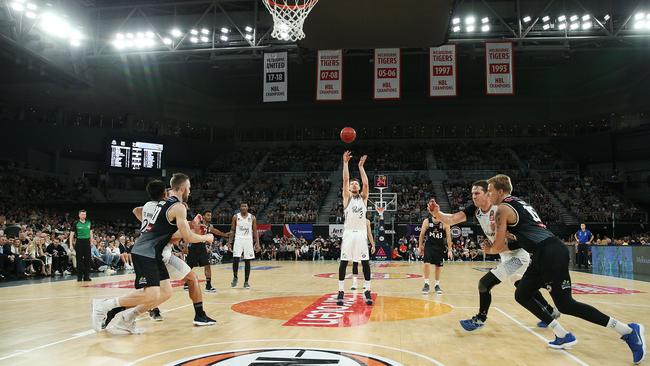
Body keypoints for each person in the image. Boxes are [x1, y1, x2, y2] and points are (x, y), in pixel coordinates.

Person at [483, 174, 644, 363]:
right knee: (522, 293)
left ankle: (629, 331)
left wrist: (489, 248)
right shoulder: (519, 203)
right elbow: (523, 239)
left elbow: (499, 246)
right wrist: (508, 241)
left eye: (491, 191)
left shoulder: (502, 208)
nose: (489, 194)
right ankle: (562, 334)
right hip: (545, 252)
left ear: (501, 191)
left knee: (566, 305)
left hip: (549, 254)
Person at [91, 174, 214, 335]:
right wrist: (206, 237)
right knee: (151, 293)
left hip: (156, 253)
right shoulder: (175, 206)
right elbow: (183, 236)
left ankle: (127, 319)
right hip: (147, 252)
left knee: (165, 292)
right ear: (182, 189)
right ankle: (104, 305)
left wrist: (187, 224)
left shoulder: (158, 204)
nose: (190, 191)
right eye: (189, 188)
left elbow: (142, 214)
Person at [430, 180, 558, 331]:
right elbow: (451, 219)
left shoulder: (501, 209)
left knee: (484, 284)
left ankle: (480, 318)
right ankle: (551, 312)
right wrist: (437, 213)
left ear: (488, 194)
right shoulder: (476, 210)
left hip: (518, 254)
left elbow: (519, 240)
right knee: (524, 287)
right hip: (505, 254)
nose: (473, 196)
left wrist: (492, 249)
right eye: (472, 193)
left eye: (477, 193)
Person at [337, 151, 373, 306]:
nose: (354, 184)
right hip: (349, 234)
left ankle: (367, 290)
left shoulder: (363, 198)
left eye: (355, 184)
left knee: (365, 263)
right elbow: (345, 179)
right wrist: (345, 163)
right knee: (344, 262)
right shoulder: (347, 197)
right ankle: (340, 291)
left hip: (361, 235)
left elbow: (366, 184)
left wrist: (360, 167)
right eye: (352, 184)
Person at [185, 210, 229, 292]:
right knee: (189, 267)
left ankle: (208, 285)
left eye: (210, 215)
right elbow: (188, 233)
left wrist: (225, 235)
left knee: (207, 265)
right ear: (203, 216)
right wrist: (185, 247)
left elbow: (215, 231)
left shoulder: (209, 225)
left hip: (201, 246)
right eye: (208, 215)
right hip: (193, 245)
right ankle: (186, 283)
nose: (210, 217)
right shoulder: (197, 223)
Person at [418, 198, 452, 294]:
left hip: (439, 246)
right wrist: (420, 246)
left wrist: (450, 250)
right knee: (426, 264)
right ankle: (426, 284)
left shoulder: (445, 222)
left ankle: (437, 285)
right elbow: (421, 235)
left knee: (438, 266)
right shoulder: (427, 221)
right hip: (429, 245)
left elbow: (449, 237)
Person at [228, 202, 260, 289]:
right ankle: (235, 277)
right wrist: (229, 242)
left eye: (245, 206)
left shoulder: (252, 217)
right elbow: (232, 230)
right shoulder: (235, 216)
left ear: (248, 207)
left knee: (247, 261)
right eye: (242, 206)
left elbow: (255, 231)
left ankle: (246, 282)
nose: (243, 207)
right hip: (238, 239)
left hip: (248, 240)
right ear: (240, 207)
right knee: (235, 259)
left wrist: (257, 243)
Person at [351, 219, 376, 291]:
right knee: (355, 263)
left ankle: (366, 283)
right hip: (355, 244)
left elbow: (369, 234)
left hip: (363, 245)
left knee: (365, 264)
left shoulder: (367, 221)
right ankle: (354, 283)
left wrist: (373, 245)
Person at [70, 210, 93, 282]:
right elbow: (71, 235)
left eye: (85, 214)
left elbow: (91, 232)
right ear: (79, 215)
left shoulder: (89, 222)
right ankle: (79, 277)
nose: (84, 216)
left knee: (87, 260)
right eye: (82, 214)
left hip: (87, 242)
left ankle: (86, 276)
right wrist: (71, 245)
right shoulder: (76, 223)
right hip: (79, 242)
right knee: (79, 260)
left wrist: (91, 241)